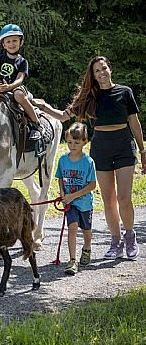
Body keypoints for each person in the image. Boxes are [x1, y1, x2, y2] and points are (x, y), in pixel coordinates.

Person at [37, 56, 146, 260]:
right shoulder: (89, 97)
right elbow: (62, 116)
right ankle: (115, 241)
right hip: (101, 148)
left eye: (104, 68)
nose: (101, 73)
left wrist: (143, 150)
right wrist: (43, 107)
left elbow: (134, 122)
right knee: (109, 199)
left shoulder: (125, 92)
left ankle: (130, 237)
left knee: (124, 198)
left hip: (124, 146)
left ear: (110, 69)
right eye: (97, 71)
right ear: (93, 75)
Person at [55, 122, 96, 275]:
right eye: (70, 142)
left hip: (84, 203)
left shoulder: (88, 162)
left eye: (76, 143)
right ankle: (72, 261)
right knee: (72, 227)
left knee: (86, 230)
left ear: (84, 142)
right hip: (70, 203)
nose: (72, 146)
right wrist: (62, 193)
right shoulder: (63, 160)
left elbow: (92, 185)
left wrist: (73, 195)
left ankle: (86, 248)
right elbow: (60, 178)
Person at [0, 23, 42, 132]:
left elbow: (20, 79)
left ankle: (36, 123)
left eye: (14, 41)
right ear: (3, 44)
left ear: (21, 42)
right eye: (8, 41)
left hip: (15, 87)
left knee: (19, 96)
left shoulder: (22, 61)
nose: (11, 44)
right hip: (0, 87)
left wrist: (9, 87)